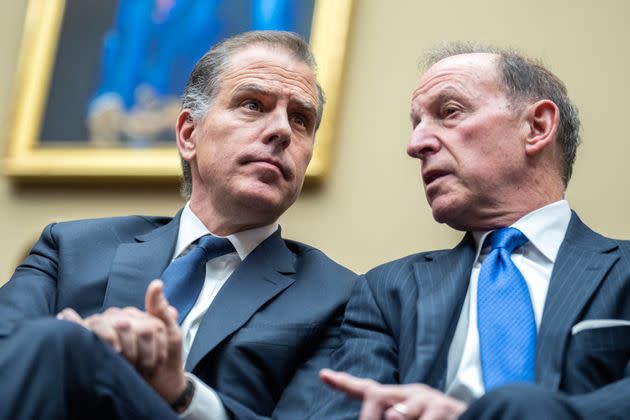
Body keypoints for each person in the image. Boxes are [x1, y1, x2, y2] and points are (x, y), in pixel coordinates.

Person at [0, 31, 356, 420]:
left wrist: (181, 393)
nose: (282, 131)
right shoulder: (69, 249)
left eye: (301, 119)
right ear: (189, 134)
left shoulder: (339, 299)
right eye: (253, 105)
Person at [316, 43, 630, 419]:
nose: (415, 145)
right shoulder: (386, 291)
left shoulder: (623, 269)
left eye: (449, 113)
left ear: (537, 127)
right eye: (416, 125)